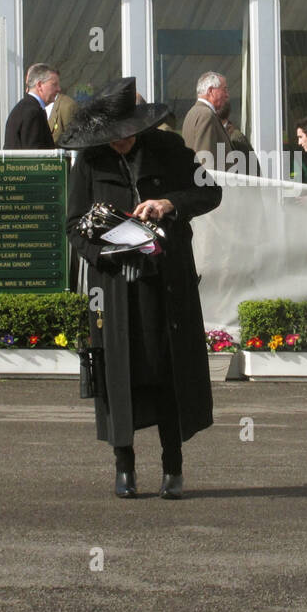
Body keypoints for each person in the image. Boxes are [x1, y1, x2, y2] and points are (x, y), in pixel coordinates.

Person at [62, 77, 222, 501]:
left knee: (168, 369)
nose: (121, 144)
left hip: (166, 280)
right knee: (120, 373)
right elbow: (74, 227)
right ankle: (124, 466)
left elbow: (211, 192)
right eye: (113, 138)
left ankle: (173, 468)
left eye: (127, 136)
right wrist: (104, 251)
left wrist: (168, 203)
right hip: (115, 285)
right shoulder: (90, 162)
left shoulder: (169, 149)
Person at [181, 72, 236, 170]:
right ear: (210, 91)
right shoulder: (206, 115)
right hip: (213, 182)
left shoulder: (193, 112)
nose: (227, 95)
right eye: (224, 89)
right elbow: (205, 162)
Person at [3, 63, 60, 149]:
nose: (58, 89)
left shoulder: (25, 107)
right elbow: (33, 155)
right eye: (54, 84)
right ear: (39, 85)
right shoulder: (32, 112)